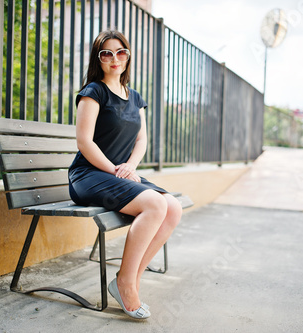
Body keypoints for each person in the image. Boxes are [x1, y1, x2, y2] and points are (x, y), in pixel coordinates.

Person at [68, 30, 182, 319]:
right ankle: (125, 284)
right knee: (155, 204)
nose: (114, 58)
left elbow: (141, 140)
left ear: (128, 56)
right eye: (106, 53)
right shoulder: (93, 92)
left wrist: (130, 166)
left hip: (118, 174)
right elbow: (84, 142)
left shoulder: (135, 97)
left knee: (173, 208)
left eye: (120, 52)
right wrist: (117, 170)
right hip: (89, 175)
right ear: (99, 59)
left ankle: (130, 278)